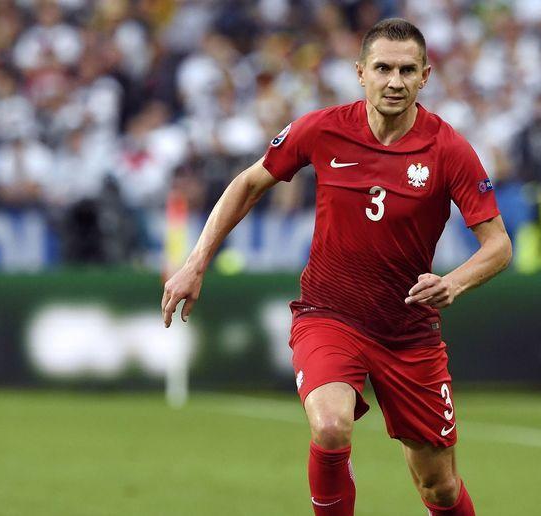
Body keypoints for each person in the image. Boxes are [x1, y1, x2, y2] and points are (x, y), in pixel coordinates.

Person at [161, 18, 512, 516]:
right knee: (330, 426)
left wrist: (454, 282)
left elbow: (498, 245)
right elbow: (247, 184)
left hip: (408, 332)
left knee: (440, 488)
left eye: (407, 70)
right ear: (360, 73)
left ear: (426, 76)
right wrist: (195, 263)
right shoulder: (323, 128)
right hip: (329, 315)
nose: (395, 81)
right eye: (383, 68)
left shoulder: (448, 149)